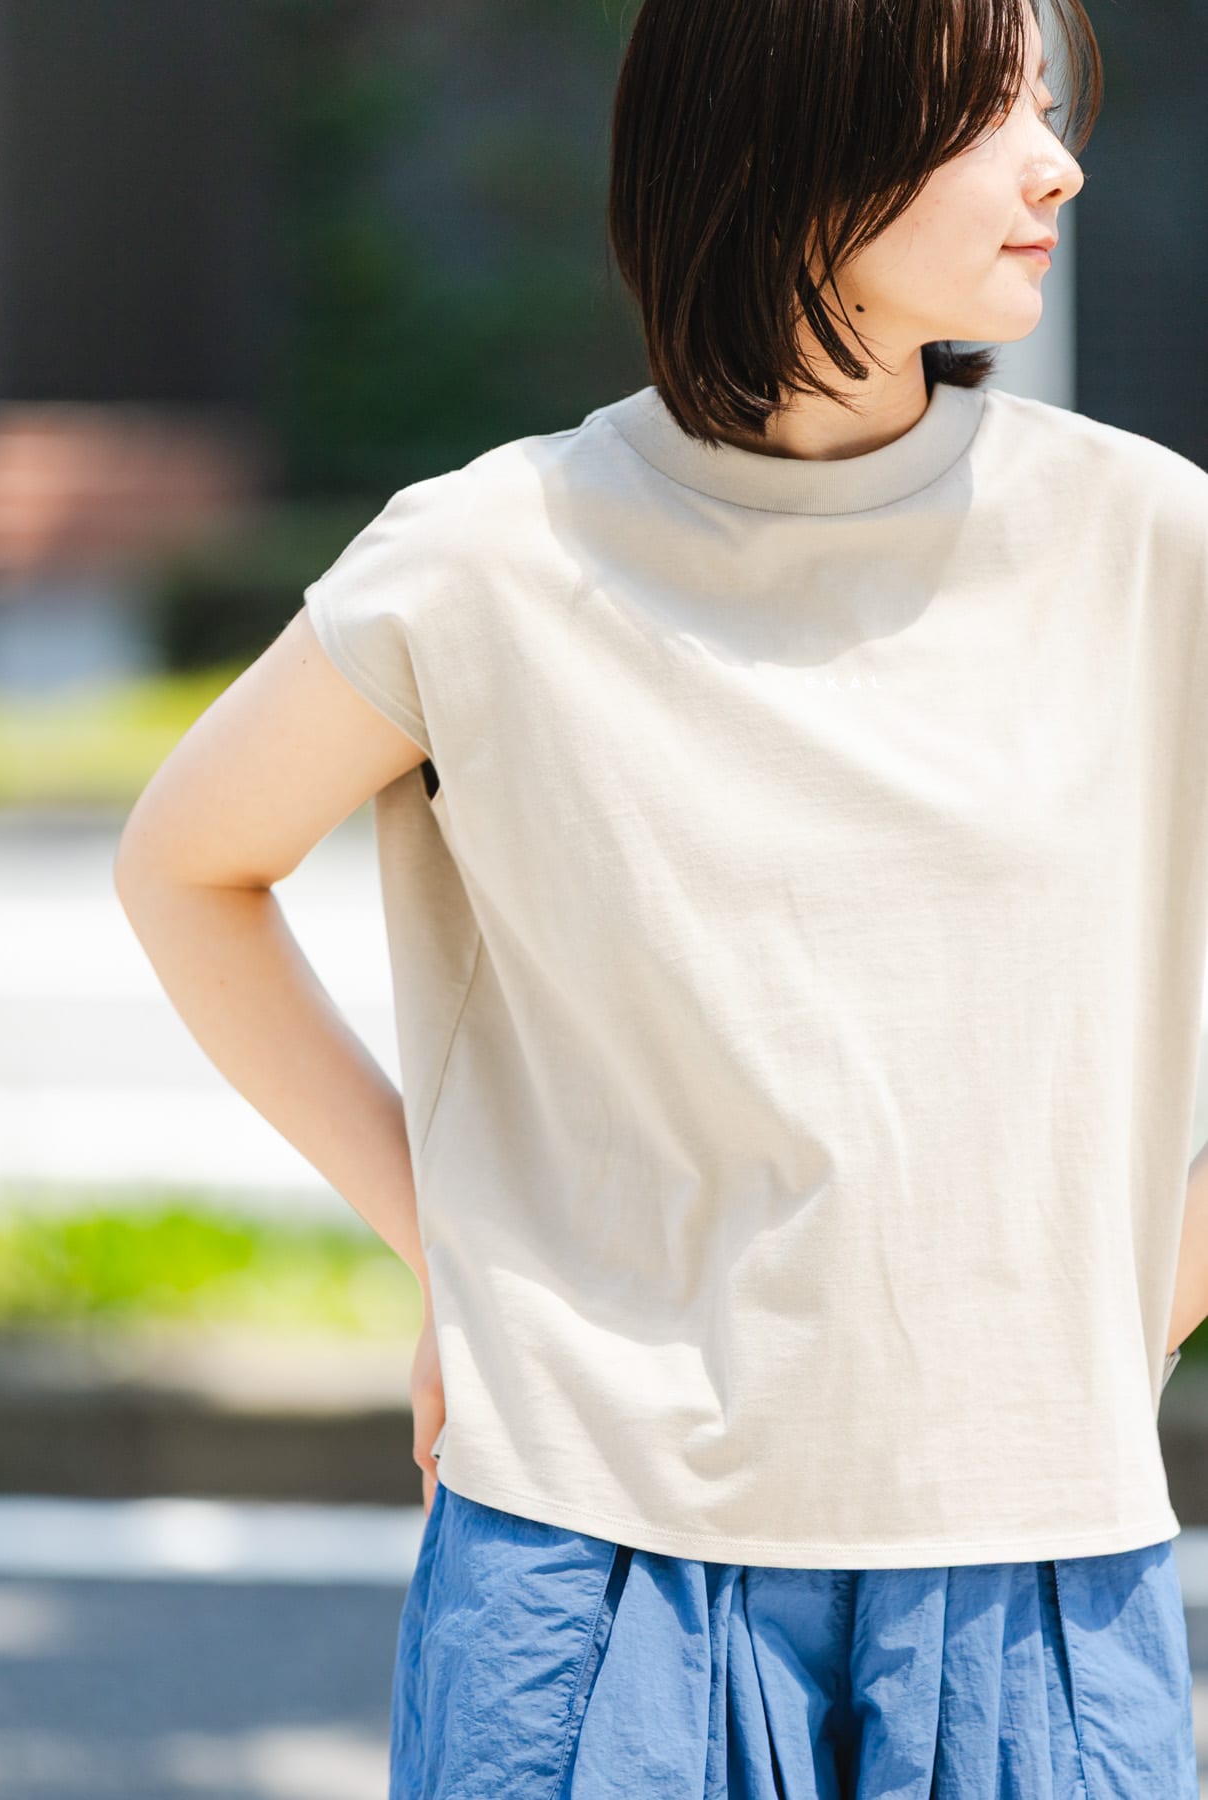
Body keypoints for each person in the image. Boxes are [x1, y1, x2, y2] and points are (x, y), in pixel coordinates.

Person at [113, 0, 1208, 1790]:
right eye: (989, 111)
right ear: (799, 138)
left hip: (1032, 1571)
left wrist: (1142, 1292)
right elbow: (185, 864)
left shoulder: (1145, 544)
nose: (1058, 165)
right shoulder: (490, 558)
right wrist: (449, 1246)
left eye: (1052, 100)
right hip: (592, 1569)